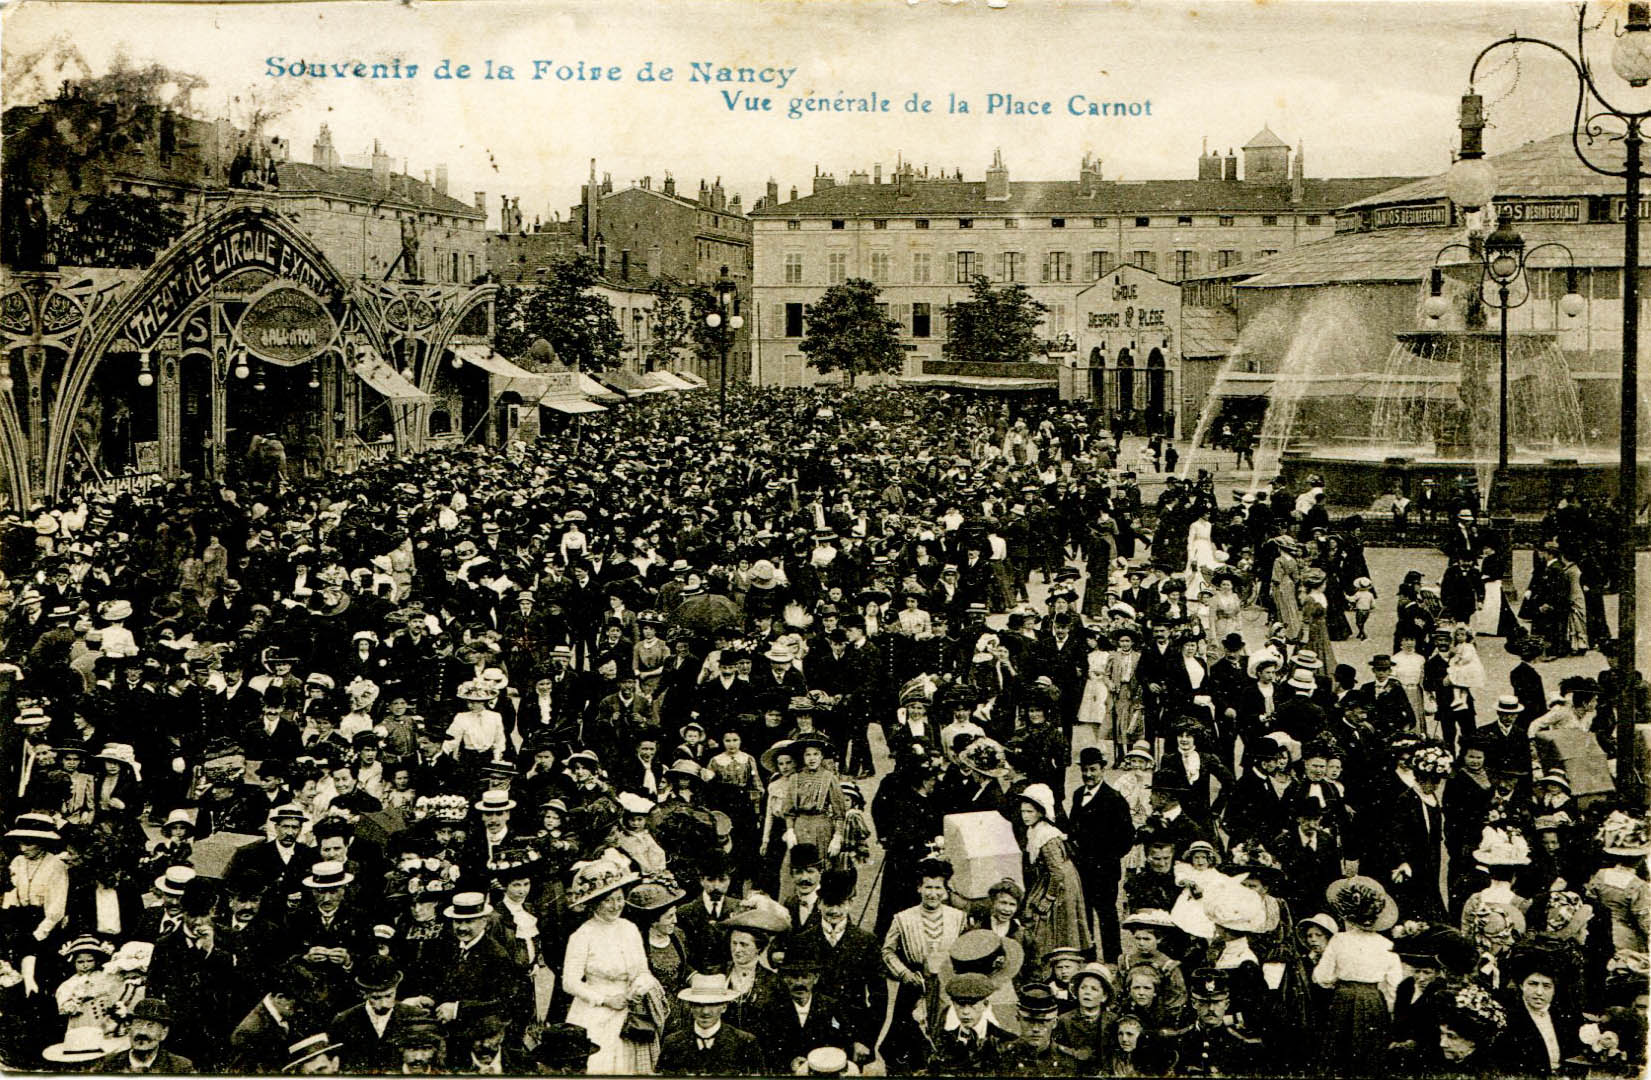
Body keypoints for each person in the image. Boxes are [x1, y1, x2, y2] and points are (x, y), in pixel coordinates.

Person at [559, 860, 662, 1076]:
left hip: (630, 1011)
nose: (616, 906)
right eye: (608, 901)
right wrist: (605, 1000)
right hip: (595, 1011)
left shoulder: (630, 928)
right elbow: (569, 982)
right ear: (595, 903)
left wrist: (639, 989)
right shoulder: (583, 935)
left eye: (619, 899)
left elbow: (643, 971)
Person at [1313, 876, 1404, 1069]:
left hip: (1343, 998)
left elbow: (1322, 977)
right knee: (1368, 1056)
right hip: (1373, 1001)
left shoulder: (1339, 940)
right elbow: (1395, 987)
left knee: (1340, 1055)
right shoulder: (1388, 945)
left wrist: (1339, 979)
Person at [1014, 784, 1091, 961]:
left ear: (1041, 812)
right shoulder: (1034, 829)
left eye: (1030, 812)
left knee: (1053, 921)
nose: (1025, 816)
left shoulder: (1046, 836)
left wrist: (1048, 898)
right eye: (1023, 811)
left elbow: (1057, 873)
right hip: (1050, 877)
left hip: (1061, 882)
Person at [656, 972, 760, 1077]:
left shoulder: (744, 1042)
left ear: (724, 1007)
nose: (705, 1012)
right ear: (691, 1007)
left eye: (712, 1005)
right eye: (699, 1005)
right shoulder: (673, 1043)